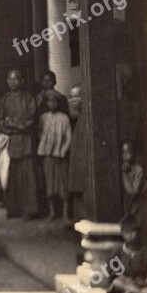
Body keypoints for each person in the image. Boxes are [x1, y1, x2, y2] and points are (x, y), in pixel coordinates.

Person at [0, 70, 39, 220]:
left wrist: (12, 122)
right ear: (7, 81)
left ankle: (29, 210)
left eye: (16, 79)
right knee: (11, 176)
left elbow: (30, 120)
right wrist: (14, 124)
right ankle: (13, 209)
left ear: (22, 81)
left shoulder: (29, 98)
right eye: (10, 79)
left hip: (26, 141)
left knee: (28, 177)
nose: (13, 82)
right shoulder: (4, 99)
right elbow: (1, 121)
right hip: (12, 142)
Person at [37, 90, 72, 222]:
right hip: (47, 155)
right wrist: (45, 144)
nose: (52, 104)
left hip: (60, 155)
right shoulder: (43, 117)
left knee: (62, 184)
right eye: (49, 101)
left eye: (55, 101)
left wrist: (63, 149)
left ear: (58, 103)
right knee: (49, 184)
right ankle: (52, 212)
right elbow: (39, 131)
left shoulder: (64, 118)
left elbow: (68, 136)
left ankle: (65, 214)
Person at [107, 216, 147, 293]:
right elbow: (111, 269)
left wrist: (146, 280)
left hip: (141, 285)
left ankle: (135, 292)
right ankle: (135, 292)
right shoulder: (118, 251)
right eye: (127, 232)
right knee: (116, 283)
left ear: (138, 233)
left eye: (133, 232)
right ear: (122, 233)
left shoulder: (145, 252)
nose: (130, 235)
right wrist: (121, 276)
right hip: (124, 283)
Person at [121, 139, 147, 240]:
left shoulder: (138, 170)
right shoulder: (125, 167)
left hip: (138, 205)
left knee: (138, 230)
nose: (125, 155)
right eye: (123, 152)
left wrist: (124, 175)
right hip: (129, 205)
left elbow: (133, 192)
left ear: (133, 153)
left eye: (128, 152)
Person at [67, 84, 87, 221]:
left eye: (77, 97)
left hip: (83, 168)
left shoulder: (86, 119)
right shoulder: (79, 118)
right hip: (77, 167)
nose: (73, 100)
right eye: (71, 97)